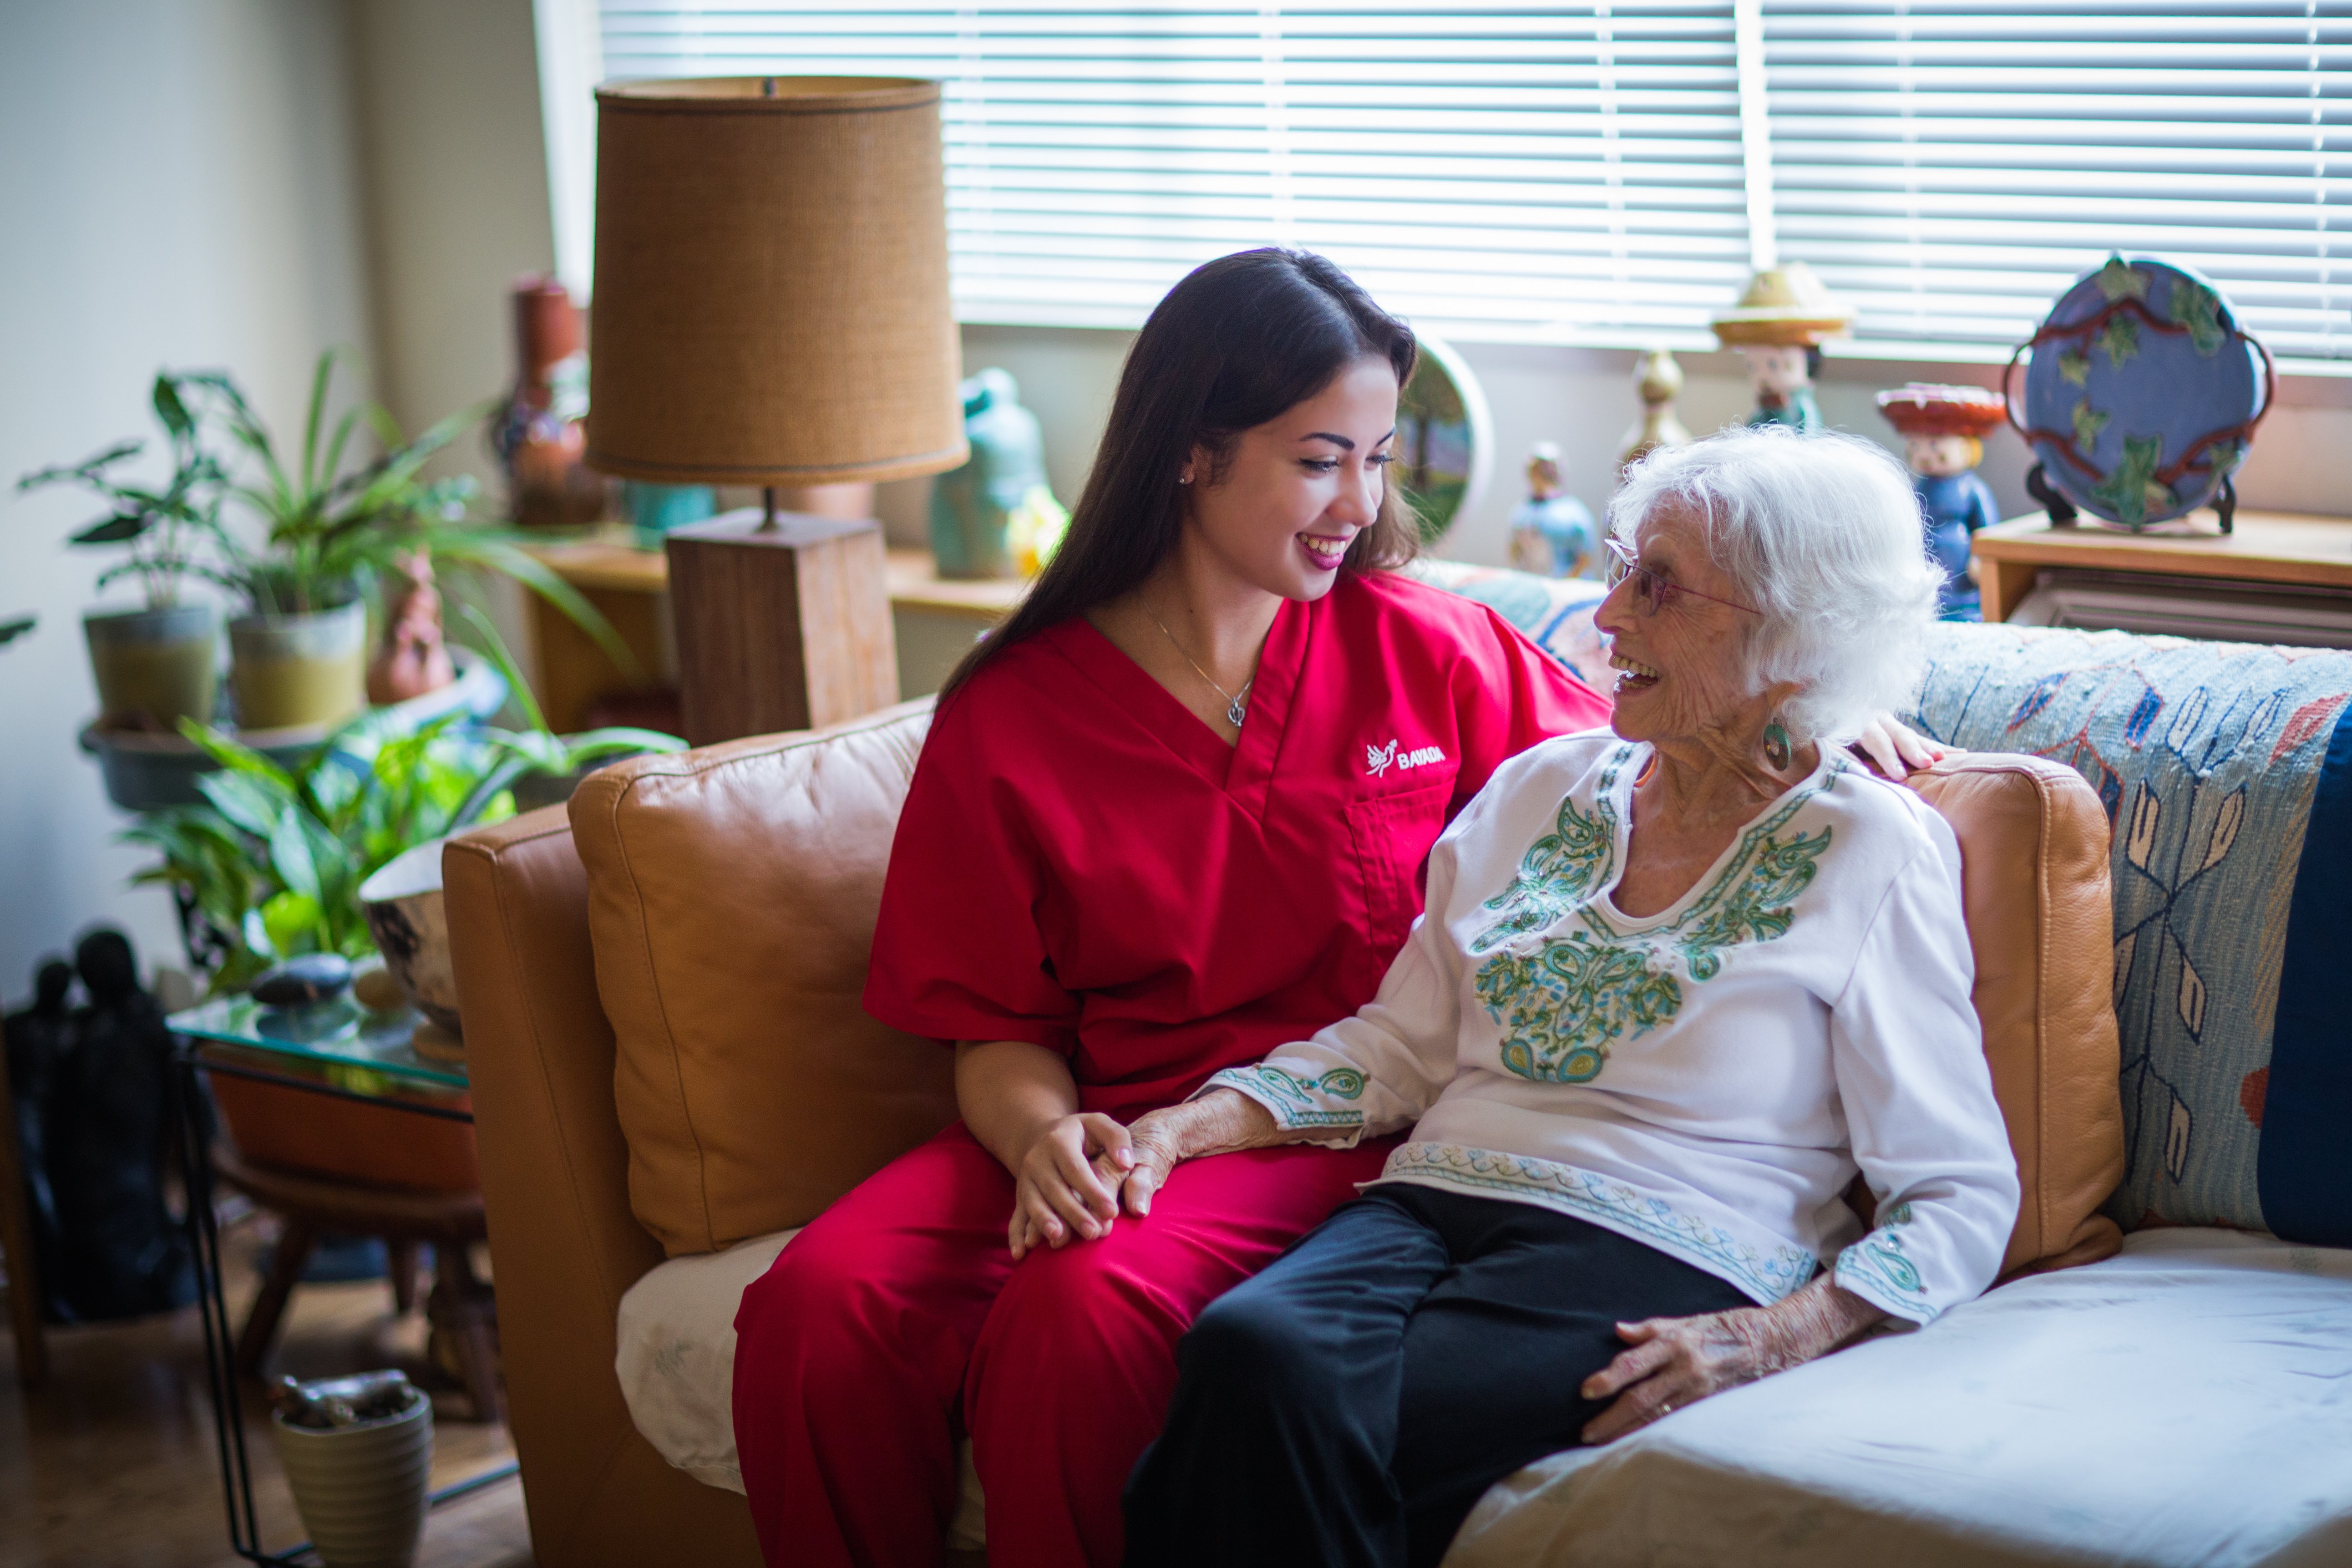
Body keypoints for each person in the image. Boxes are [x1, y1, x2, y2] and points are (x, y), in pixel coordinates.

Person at [730, 252, 1942, 1568]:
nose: (1360, 503)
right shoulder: (1011, 705)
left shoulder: (1430, 646)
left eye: (1379, 456)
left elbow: (1657, 749)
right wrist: (1044, 1140)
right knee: (815, 1306)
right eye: (1321, 460)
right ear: (1192, 451)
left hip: (1330, 1115)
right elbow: (990, 1018)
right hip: (1096, 1111)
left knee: (1079, 1315)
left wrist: (1817, 695)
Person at [1119, 427, 2020, 1568]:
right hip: (1432, 1199)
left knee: (1312, 1422)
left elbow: (1957, 1193)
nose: (1608, 620)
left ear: (1797, 635)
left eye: (1661, 588)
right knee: (1246, 1349)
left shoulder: (1871, 849)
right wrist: (1189, 1124)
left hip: (1670, 1241)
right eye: (1618, 571)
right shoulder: (1537, 789)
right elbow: (1403, 1042)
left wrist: (1777, 1336)